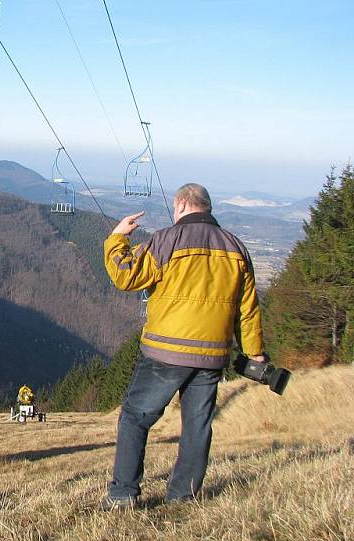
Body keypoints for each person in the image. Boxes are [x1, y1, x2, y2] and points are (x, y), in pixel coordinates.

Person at [100, 183, 265, 509]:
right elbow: (248, 309)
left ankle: (123, 495)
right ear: (207, 208)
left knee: (135, 417)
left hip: (166, 351)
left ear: (180, 207)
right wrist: (255, 353)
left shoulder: (165, 241)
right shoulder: (236, 248)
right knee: (197, 426)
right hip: (213, 354)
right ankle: (182, 498)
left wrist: (117, 237)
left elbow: (125, 276)